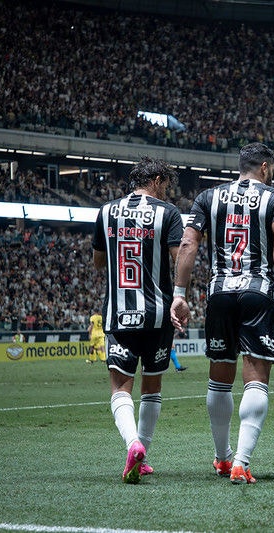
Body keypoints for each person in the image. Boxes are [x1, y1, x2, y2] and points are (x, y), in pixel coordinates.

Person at [170, 142, 274, 485]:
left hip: (220, 293)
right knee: (256, 377)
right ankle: (242, 461)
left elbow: (187, 245)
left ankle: (223, 457)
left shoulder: (208, 197)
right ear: (265, 168)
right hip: (259, 293)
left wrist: (180, 295)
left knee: (219, 377)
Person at [92, 156, 183, 483]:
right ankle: (142, 449)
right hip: (158, 315)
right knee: (152, 386)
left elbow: (98, 263)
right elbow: (179, 259)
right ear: (157, 180)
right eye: (167, 184)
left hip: (118, 314)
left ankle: (133, 446)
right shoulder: (168, 213)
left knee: (120, 387)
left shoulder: (106, 212)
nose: (167, 190)